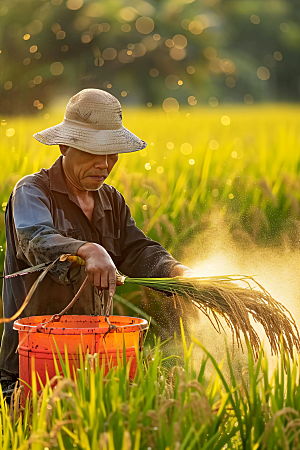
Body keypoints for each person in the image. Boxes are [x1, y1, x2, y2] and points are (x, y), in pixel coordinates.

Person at [0, 88, 191, 394]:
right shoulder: (32, 191)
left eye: (111, 153)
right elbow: (34, 240)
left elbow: (135, 249)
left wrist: (178, 272)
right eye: (93, 152)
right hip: (34, 362)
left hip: (96, 361)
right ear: (64, 146)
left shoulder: (110, 200)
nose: (104, 164)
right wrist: (87, 249)